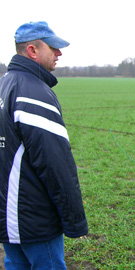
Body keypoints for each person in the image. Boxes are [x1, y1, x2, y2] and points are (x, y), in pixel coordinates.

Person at [0, 21, 88, 269]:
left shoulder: (4, 84)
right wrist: (75, 221)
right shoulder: (34, 92)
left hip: (8, 216)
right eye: (53, 47)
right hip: (34, 220)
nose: (59, 53)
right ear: (32, 50)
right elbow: (55, 164)